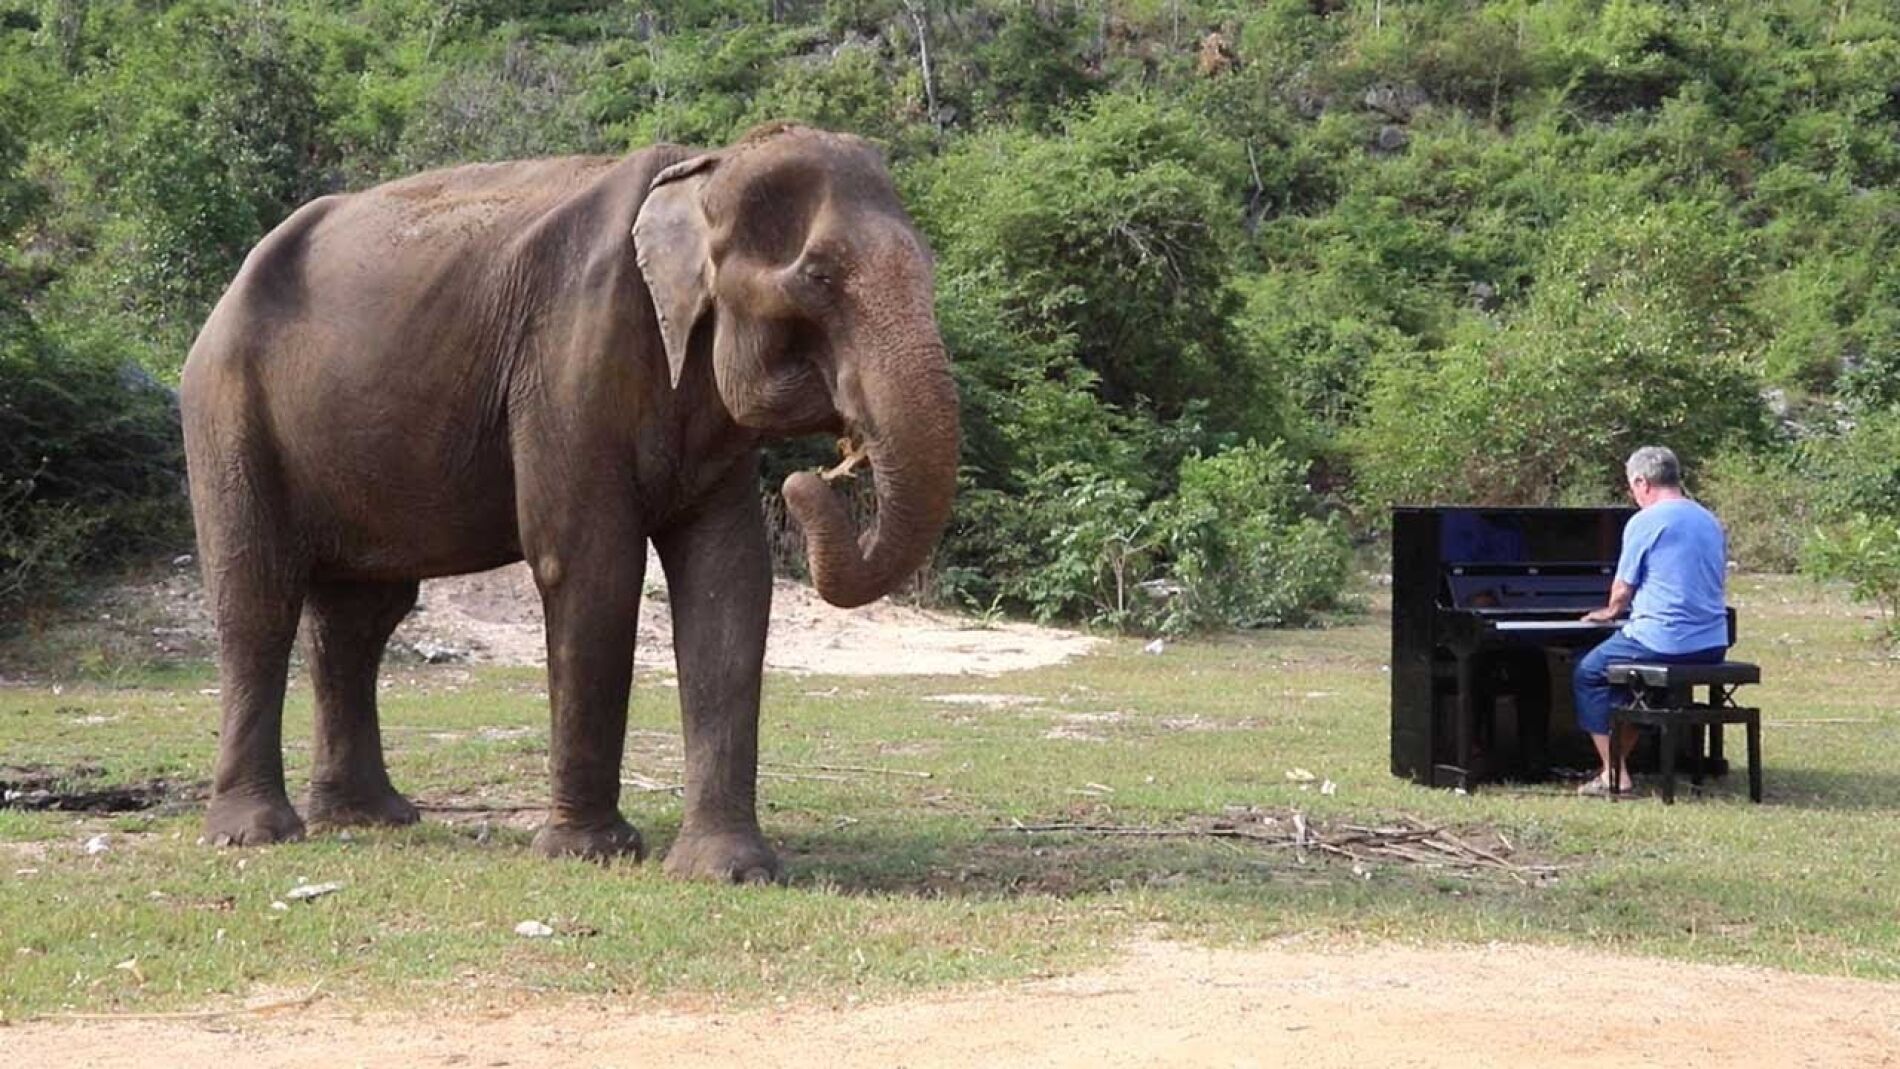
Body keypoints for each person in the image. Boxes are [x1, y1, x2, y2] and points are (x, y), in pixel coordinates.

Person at [1572, 446, 1730, 796]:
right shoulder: (1710, 520)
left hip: (1663, 639)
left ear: (1642, 482)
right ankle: (1614, 766)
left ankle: (1615, 774)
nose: (1633, 495)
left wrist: (1610, 612)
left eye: (1632, 487)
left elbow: (1622, 590)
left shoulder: (1646, 521)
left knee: (1587, 672)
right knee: (1637, 686)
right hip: (1712, 643)